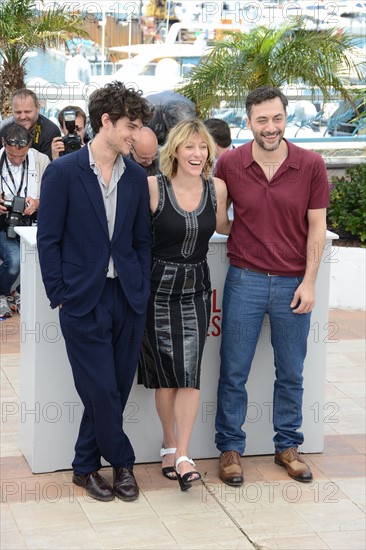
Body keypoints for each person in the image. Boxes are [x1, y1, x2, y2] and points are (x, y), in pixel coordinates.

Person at [36, 81, 153, 502]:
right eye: (131, 126)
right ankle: (123, 463)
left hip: (127, 297)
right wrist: (60, 293)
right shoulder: (63, 172)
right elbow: (47, 240)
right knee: (101, 388)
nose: (136, 135)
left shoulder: (137, 176)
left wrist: (138, 286)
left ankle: (85, 465)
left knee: (116, 388)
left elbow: (141, 241)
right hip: (82, 299)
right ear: (106, 121)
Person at [214, 86, 330, 487]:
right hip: (243, 279)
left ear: (286, 117)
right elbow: (220, 220)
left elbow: (317, 227)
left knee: (291, 372)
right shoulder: (228, 163)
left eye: (277, 118)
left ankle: (288, 447)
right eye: (261, 119)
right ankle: (230, 449)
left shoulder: (311, 163)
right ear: (248, 122)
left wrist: (310, 282)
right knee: (233, 371)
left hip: (293, 284)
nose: (270, 127)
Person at [138, 119, 231, 491]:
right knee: (166, 377)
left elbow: (226, 226)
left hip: (196, 288)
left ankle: (184, 454)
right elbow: (133, 239)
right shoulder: (152, 187)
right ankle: (168, 441)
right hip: (156, 291)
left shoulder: (217, 188)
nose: (197, 154)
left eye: (203, 147)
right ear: (174, 149)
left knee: (189, 372)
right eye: (190, 146)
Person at [0, 124, 49, 319]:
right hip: (4, 223)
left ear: (29, 146)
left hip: (32, 223)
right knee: (14, 262)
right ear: (4, 144)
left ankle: (19, 292)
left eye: (22, 156)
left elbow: (54, 194)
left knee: (38, 260)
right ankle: (2, 294)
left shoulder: (41, 160)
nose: (17, 160)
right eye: (12, 156)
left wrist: (38, 202)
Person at [0, 89, 61, 161]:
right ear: (12, 110)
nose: (23, 117)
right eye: (18, 112)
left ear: (38, 108)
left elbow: (47, 165)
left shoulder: (50, 131)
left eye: (27, 112)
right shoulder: (3, 128)